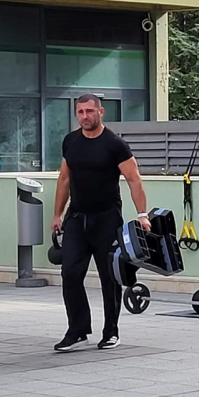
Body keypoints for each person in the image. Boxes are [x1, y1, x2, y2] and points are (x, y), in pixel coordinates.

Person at [51, 94, 150, 352]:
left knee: (110, 277)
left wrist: (142, 214)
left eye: (89, 111)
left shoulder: (114, 144)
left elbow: (134, 179)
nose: (85, 116)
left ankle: (111, 332)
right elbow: (64, 180)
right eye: (80, 112)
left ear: (101, 112)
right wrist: (57, 215)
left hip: (107, 218)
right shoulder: (70, 142)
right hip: (77, 218)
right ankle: (77, 330)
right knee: (70, 273)